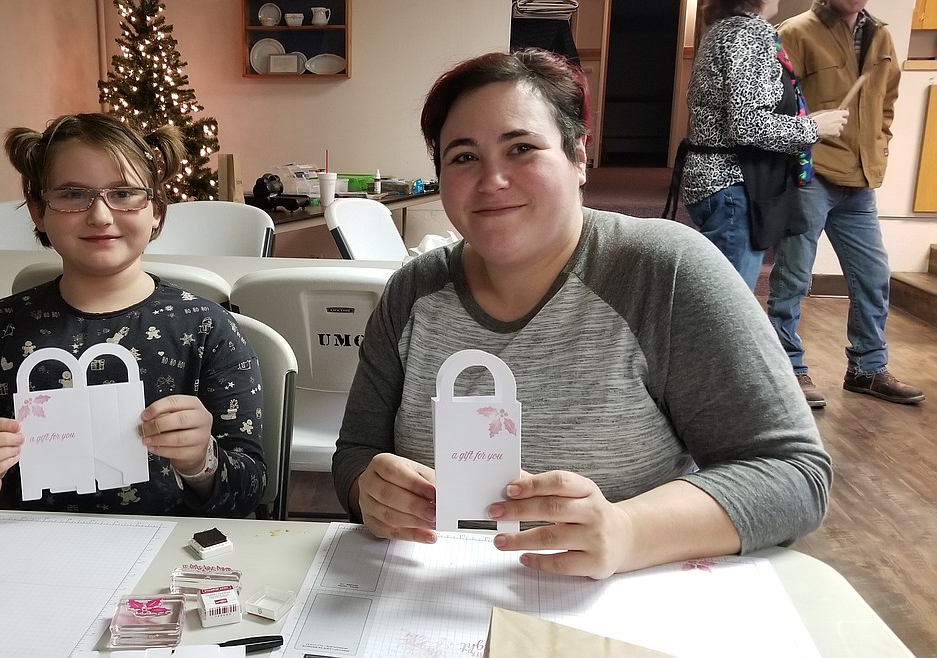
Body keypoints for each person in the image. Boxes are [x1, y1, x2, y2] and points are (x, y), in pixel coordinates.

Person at [332, 49, 832, 580]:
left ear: (578, 157)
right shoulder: (413, 291)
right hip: (422, 608)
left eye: (521, 148)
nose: (492, 180)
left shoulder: (665, 272)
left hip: (618, 607)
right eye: (463, 157)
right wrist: (372, 492)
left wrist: (627, 531)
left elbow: (793, 474)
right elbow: (356, 455)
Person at [0, 113, 267, 516]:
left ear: (155, 210)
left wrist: (200, 461)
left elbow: (249, 491)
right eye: (72, 194)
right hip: (23, 550)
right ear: (38, 211)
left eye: (124, 193)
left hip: (168, 554)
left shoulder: (208, 329)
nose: (101, 215)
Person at [767, 0, 924, 408]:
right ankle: (789, 369)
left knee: (873, 277)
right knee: (793, 280)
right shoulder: (795, 32)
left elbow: (886, 103)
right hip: (812, 175)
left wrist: (879, 145)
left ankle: (867, 370)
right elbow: (776, 108)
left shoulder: (882, 36)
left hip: (862, 178)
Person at [675, 0, 848, 290]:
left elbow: (747, 114)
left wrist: (805, 121)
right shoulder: (748, 34)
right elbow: (747, 125)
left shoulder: (725, 29)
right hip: (732, 185)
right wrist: (813, 128)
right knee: (728, 309)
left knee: (715, 302)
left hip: (719, 183)